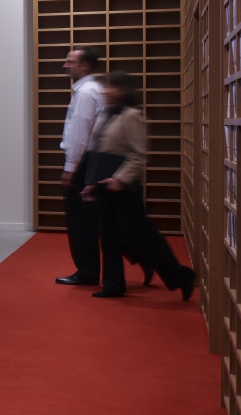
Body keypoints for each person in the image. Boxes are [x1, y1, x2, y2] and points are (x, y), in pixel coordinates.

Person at [82, 71, 195, 299]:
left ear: (123, 90)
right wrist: (91, 183)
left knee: (144, 236)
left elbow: (139, 155)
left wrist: (120, 179)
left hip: (123, 189)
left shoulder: (132, 115)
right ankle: (113, 284)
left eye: (110, 87)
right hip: (105, 188)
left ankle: (181, 275)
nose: (105, 91)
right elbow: (98, 152)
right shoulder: (107, 114)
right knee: (109, 237)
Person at [55, 46, 104, 286]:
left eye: (70, 61)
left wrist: (70, 167)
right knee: (87, 220)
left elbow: (80, 135)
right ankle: (88, 270)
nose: (65, 65)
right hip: (91, 161)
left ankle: (86, 271)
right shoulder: (91, 89)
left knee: (80, 221)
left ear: (84, 66)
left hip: (83, 162)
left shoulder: (86, 92)